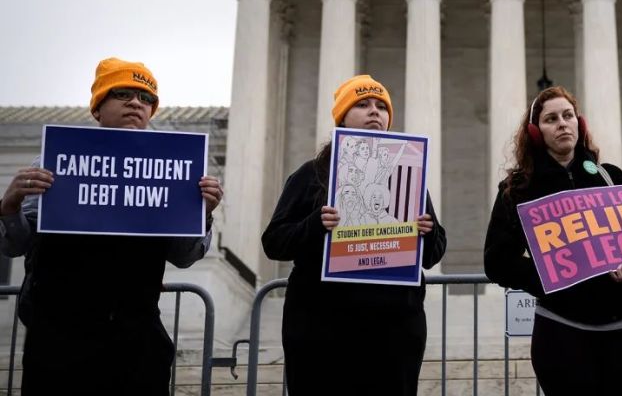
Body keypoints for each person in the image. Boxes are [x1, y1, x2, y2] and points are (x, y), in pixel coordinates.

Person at [0, 57, 223, 395]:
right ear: (97, 109)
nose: (136, 103)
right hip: (61, 339)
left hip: (138, 341)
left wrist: (202, 214)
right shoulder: (53, 162)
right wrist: (10, 205)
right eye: (122, 93)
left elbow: (184, 256)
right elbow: (14, 245)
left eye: (146, 98)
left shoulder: (172, 171)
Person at [262, 74, 447, 395]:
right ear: (343, 116)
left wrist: (428, 232)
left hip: (394, 329)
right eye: (362, 104)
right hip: (322, 329)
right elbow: (274, 241)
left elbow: (432, 255)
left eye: (381, 106)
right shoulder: (311, 174)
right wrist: (315, 225)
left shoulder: (408, 175)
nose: (375, 111)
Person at [484, 86, 622, 395]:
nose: (562, 123)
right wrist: (551, 277)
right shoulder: (518, 189)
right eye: (551, 119)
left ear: (580, 123)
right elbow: (497, 261)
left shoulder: (611, 178)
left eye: (568, 115)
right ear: (536, 133)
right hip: (562, 333)